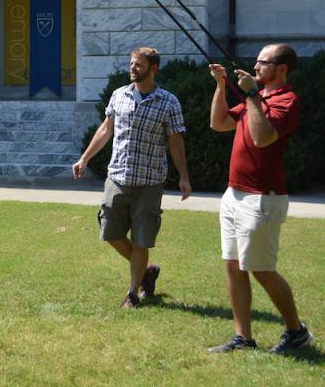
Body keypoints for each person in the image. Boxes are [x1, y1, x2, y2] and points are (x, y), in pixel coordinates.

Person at [207, 44, 313, 354]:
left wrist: (252, 95)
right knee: (234, 266)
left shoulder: (286, 100)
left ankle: (296, 332)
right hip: (234, 194)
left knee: (262, 268)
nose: (255, 67)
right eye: (255, 62)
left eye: (262, 63)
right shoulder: (259, 98)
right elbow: (220, 124)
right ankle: (243, 338)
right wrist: (221, 85)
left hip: (263, 199)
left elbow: (262, 137)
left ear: (281, 69)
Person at [72, 47, 191, 309]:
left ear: (153, 68)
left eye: (138, 65)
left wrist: (183, 175)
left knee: (141, 239)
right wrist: (85, 158)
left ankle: (132, 294)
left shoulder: (168, 102)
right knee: (110, 233)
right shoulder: (119, 95)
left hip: (149, 182)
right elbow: (106, 129)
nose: (132, 68)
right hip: (117, 177)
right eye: (131, 64)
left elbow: (175, 141)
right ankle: (147, 272)